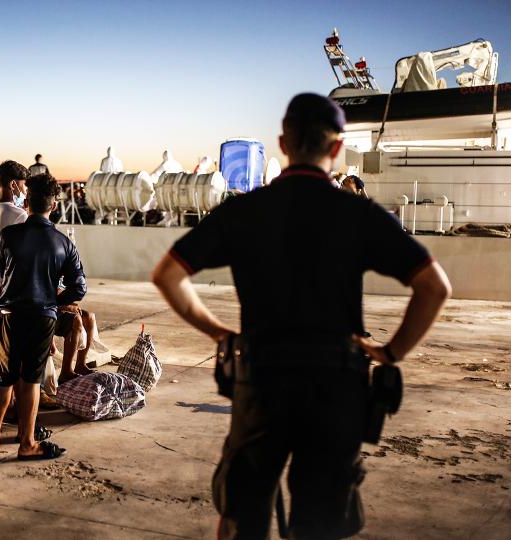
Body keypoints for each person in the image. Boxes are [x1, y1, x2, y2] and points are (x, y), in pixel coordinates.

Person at [152, 93, 452, 539]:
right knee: (322, 523)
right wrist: (390, 352)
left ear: (283, 143)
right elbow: (434, 287)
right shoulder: (359, 213)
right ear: (336, 150)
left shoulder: (244, 211)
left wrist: (221, 333)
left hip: (262, 380)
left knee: (241, 515)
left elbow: (169, 275)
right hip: (336, 386)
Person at [0, 173, 86, 459]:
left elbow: (1, 269)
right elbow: (80, 286)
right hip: (43, 316)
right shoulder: (64, 243)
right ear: (53, 206)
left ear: (26, 202)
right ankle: (27, 443)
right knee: (31, 380)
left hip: (11, 313)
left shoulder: (9, 236)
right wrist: (55, 299)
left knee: (5, 378)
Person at [0, 160, 46, 452]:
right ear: (15, 184)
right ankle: (19, 421)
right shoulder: (19, 216)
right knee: (20, 366)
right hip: (16, 299)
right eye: (24, 185)